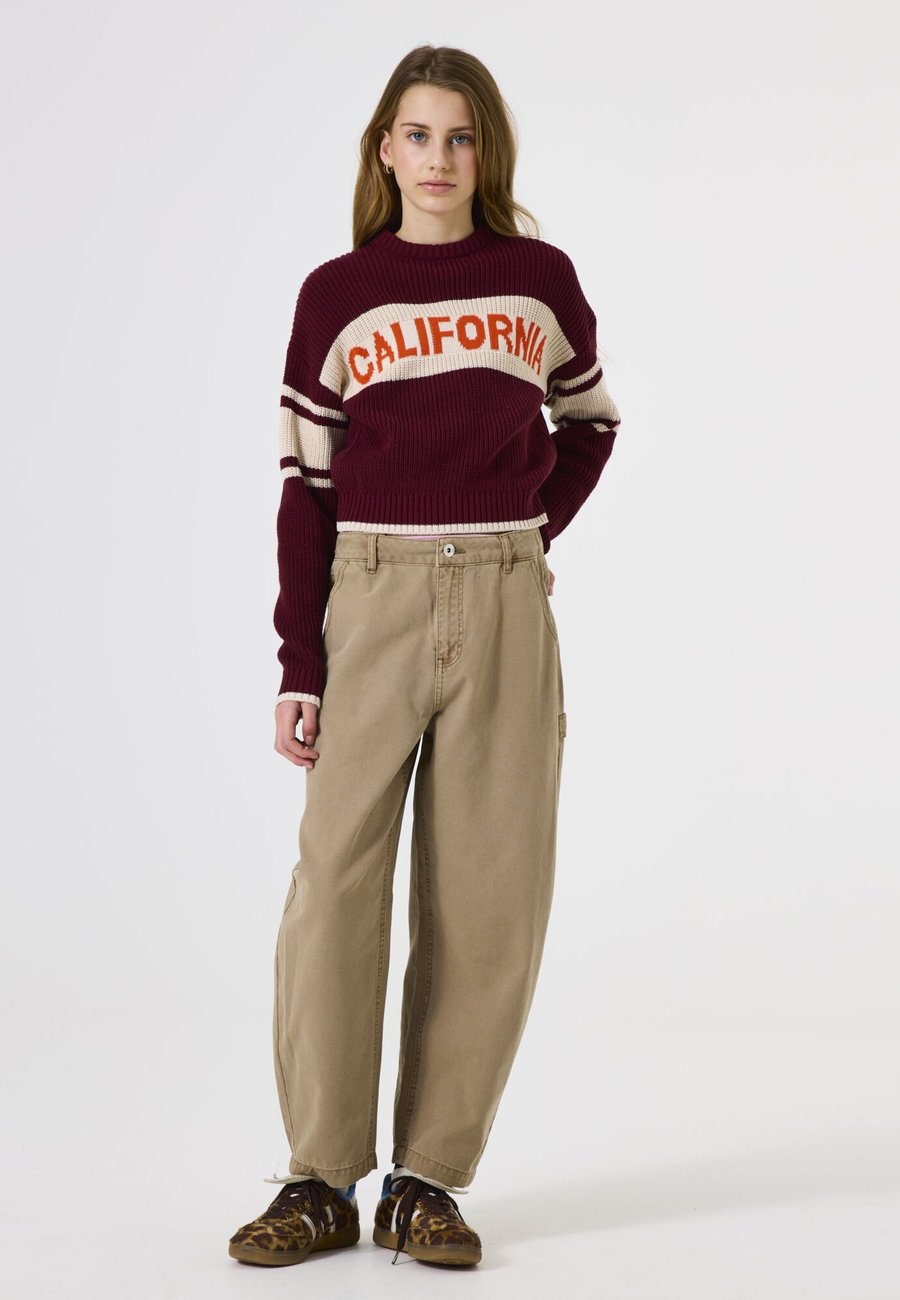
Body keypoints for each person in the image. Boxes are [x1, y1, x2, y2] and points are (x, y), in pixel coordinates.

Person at [228, 43, 621, 1270]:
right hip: (372, 600)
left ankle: (425, 1182)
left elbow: (590, 422)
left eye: (460, 136)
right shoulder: (337, 295)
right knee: (335, 884)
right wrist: (301, 662)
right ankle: (317, 1179)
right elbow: (306, 488)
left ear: (484, 151)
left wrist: (528, 527)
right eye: (417, 135)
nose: (439, 158)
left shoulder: (539, 281)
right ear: (384, 150)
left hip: (503, 603)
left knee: (490, 898)